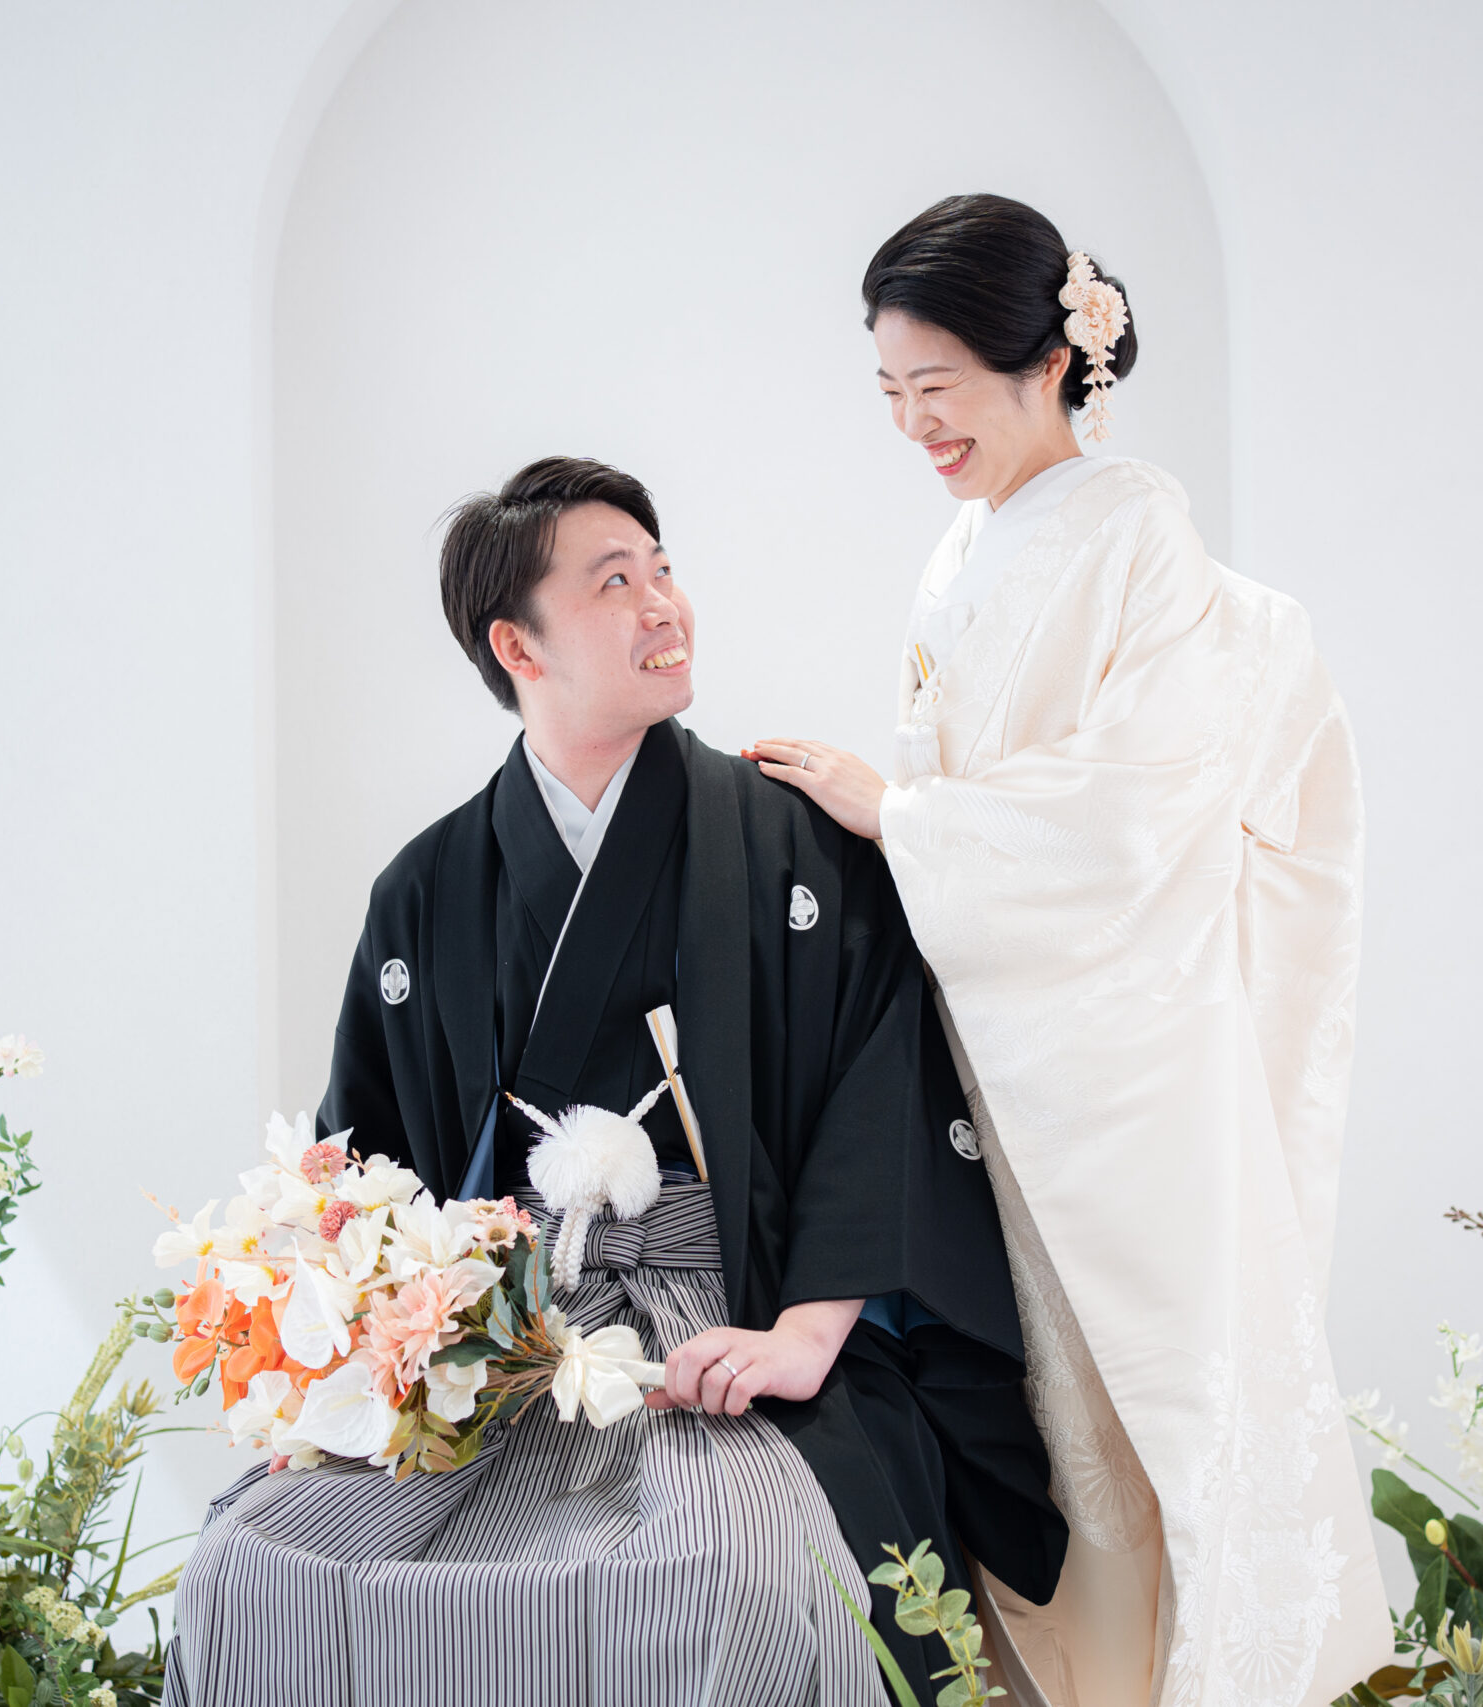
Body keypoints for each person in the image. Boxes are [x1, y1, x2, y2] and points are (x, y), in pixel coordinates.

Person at [167, 456, 1065, 1707]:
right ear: (516, 646)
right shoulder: (425, 891)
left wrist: (803, 1338)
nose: (663, 605)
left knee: (733, 1571)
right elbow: (364, 1169)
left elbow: (880, 1090)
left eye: (662, 569)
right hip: (505, 1345)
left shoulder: (794, 841)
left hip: (731, 1323)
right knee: (253, 1567)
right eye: (613, 583)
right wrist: (361, 1378)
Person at [745, 195, 1396, 1707]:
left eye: (938, 387)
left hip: (1124, 1056)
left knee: (1159, 1393)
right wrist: (899, 837)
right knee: (1045, 1414)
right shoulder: (962, 545)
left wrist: (902, 814)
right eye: (890, 392)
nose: (914, 424)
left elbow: (1141, 807)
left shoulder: (1135, 527)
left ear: (1049, 362)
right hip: (1012, 1035)